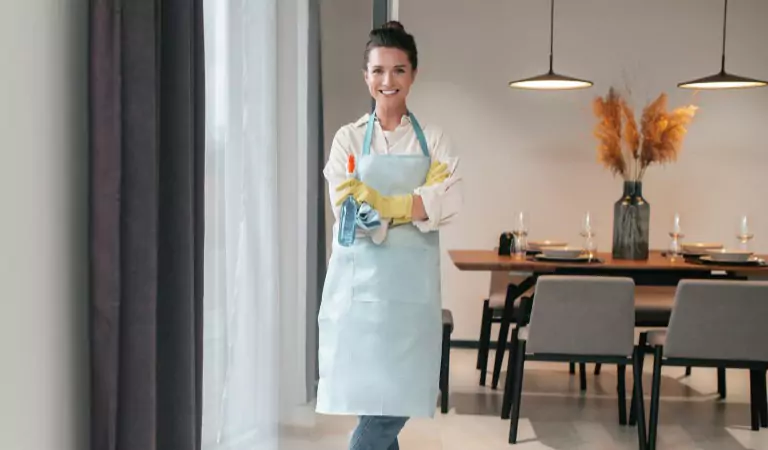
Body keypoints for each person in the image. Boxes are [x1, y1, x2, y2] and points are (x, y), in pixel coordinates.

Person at [316, 20, 463, 450]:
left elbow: (446, 202)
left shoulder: (433, 139)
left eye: (398, 70)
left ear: (413, 74)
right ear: (366, 77)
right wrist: (413, 204)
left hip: (410, 297)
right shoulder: (347, 139)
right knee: (374, 405)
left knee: (391, 405)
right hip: (358, 292)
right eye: (378, 71)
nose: (388, 81)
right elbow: (345, 208)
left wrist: (382, 204)